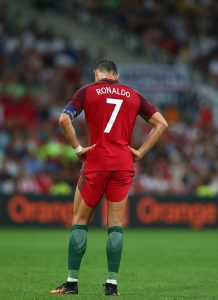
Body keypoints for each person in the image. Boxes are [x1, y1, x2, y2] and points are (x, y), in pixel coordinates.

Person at [50, 58, 168, 296]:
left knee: (80, 220)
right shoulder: (133, 94)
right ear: (117, 74)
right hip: (123, 164)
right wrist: (141, 152)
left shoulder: (87, 91)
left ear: (97, 73)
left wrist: (77, 149)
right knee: (115, 225)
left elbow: (64, 119)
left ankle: (72, 283)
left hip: (96, 162)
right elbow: (162, 123)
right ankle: (111, 285)